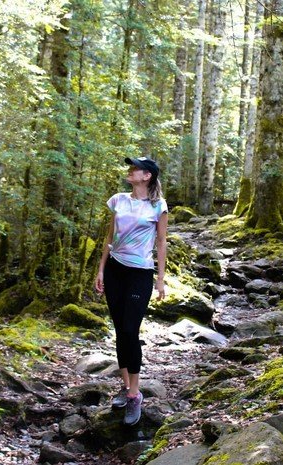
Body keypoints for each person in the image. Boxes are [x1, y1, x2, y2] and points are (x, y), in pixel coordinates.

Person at [94, 156, 168, 426]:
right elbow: (109, 238)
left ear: (147, 176)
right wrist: (101, 270)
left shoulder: (158, 205)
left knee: (129, 330)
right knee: (119, 330)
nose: (130, 170)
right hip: (115, 270)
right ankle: (126, 389)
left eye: (135, 168)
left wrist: (160, 279)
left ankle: (135, 394)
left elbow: (161, 242)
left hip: (140, 273)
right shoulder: (118, 200)